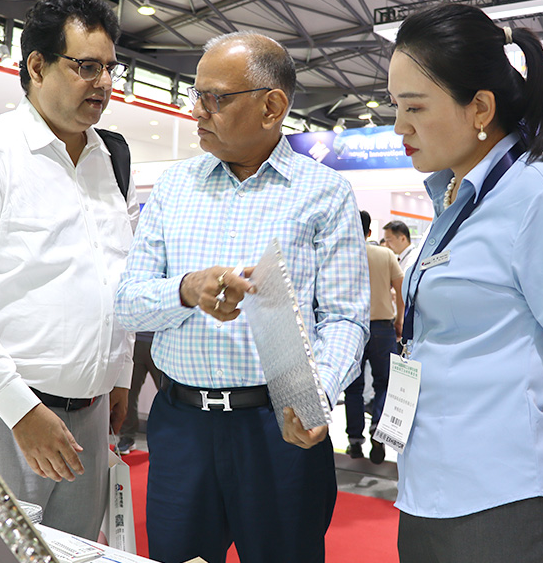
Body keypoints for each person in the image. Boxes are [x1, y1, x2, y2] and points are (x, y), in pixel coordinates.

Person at [388, 4, 543, 562]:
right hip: (430, 490)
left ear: (480, 107)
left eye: (415, 107)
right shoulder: (456, 202)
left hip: (512, 501)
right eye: (394, 106)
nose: (399, 126)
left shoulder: (542, 196)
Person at [114, 31, 369, 563]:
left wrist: (315, 396)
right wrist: (186, 290)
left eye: (215, 99)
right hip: (181, 426)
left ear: (271, 106)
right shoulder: (174, 187)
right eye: (197, 96)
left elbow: (345, 317)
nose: (197, 112)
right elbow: (129, 302)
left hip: (280, 428)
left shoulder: (324, 193)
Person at [0, 0, 138, 540]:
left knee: (76, 550)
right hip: (3, 411)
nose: (104, 83)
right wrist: (20, 410)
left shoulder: (110, 160)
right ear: (37, 66)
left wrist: (118, 376)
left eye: (110, 68)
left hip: (91, 417)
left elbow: (118, 276)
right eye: (86, 67)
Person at [345, 210, 403, 464]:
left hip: (351, 329)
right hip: (382, 328)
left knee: (353, 388)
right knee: (384, 383)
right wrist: (400, 320)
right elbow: (401, 288)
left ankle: (354, 441)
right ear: (369, 232)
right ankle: (378, 425)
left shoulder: (342, 257)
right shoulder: (385, 254)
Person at [115, 331, 162, 454]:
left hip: (162, 341)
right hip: (136, 340)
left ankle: (172, 438)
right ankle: (127, 436)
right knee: (129, 392)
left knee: (168, 395)